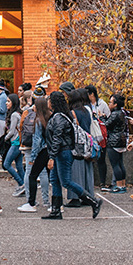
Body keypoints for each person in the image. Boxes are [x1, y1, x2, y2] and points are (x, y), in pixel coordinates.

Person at [41, 90, 102, 219]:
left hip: (63, 153)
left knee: (66, 181)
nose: (48, 102)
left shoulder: (59, 117)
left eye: (49, 100)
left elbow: (57, 138)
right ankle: (56, 210)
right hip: (60, 152)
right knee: (55, 180)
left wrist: (51, 157)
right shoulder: (60, 115)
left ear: (54, 102)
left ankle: (93, 201)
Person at [17, 96, 53, 212]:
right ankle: (47, 200)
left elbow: (36, 140)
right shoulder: (50, 118)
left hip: (41, 151)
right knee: (46, 175)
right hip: (49, 150)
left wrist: (33, 156)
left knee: (32, 175)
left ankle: (31, 202)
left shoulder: (38, 121)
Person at [103, 94, 128, 194]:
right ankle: (122, 184)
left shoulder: (115, 114)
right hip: (121, 140)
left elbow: (106, 125)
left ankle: (118, 186)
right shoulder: (122, 113)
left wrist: (102, 117)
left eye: (110, 102)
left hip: (114, 141)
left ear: (115, 104)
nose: (109, 104)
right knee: (120, 163)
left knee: (115, 164)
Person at [2, 92, 26, 187]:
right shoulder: (18, 113)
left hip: (15, 142)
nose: (6, 103)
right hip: (19, 141)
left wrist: (5, 138)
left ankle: (21, 183)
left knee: (7, 164)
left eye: (8, 101)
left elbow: (12, 131)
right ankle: (25, 185)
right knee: (19, 166)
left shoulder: (14, 115)